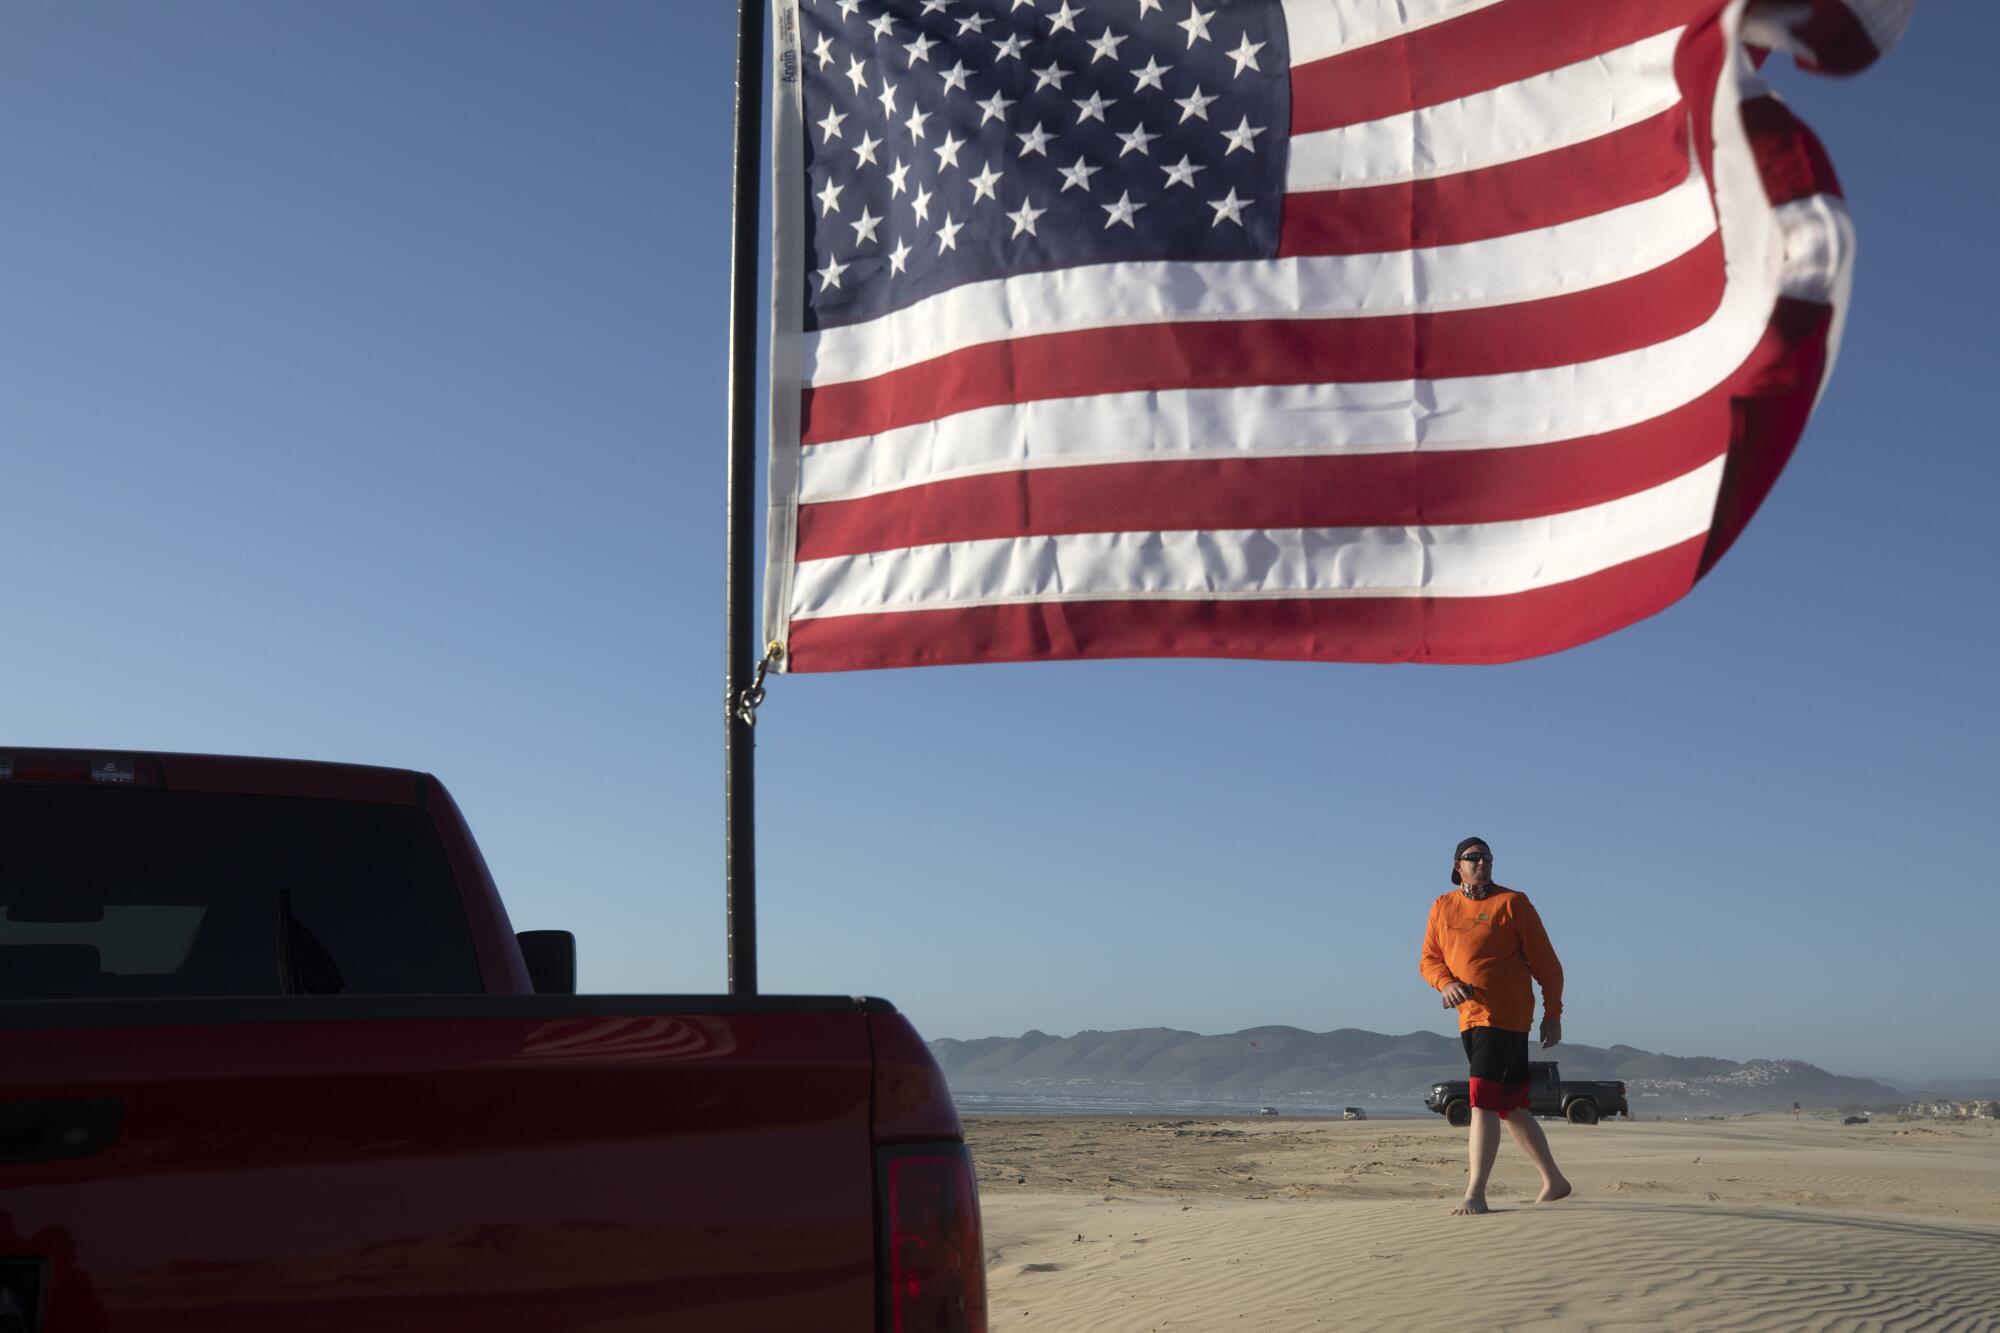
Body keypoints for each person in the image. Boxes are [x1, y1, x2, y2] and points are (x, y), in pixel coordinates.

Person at [1419, 836, 1573, 1214]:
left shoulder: (1512, 903)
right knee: (1510, 1106)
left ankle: (1475, 1193)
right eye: (1473, 858)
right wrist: (1447, 983)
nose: (1482, 863)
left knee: (1481, 1101)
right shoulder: (1443, 906)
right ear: (1458, 865)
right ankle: (1554, 1180)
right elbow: (1429, 959)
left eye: (1487, 857)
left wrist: (1553, 1014)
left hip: (1504, 1017)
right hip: (1470, 1017)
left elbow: (1547, 964)